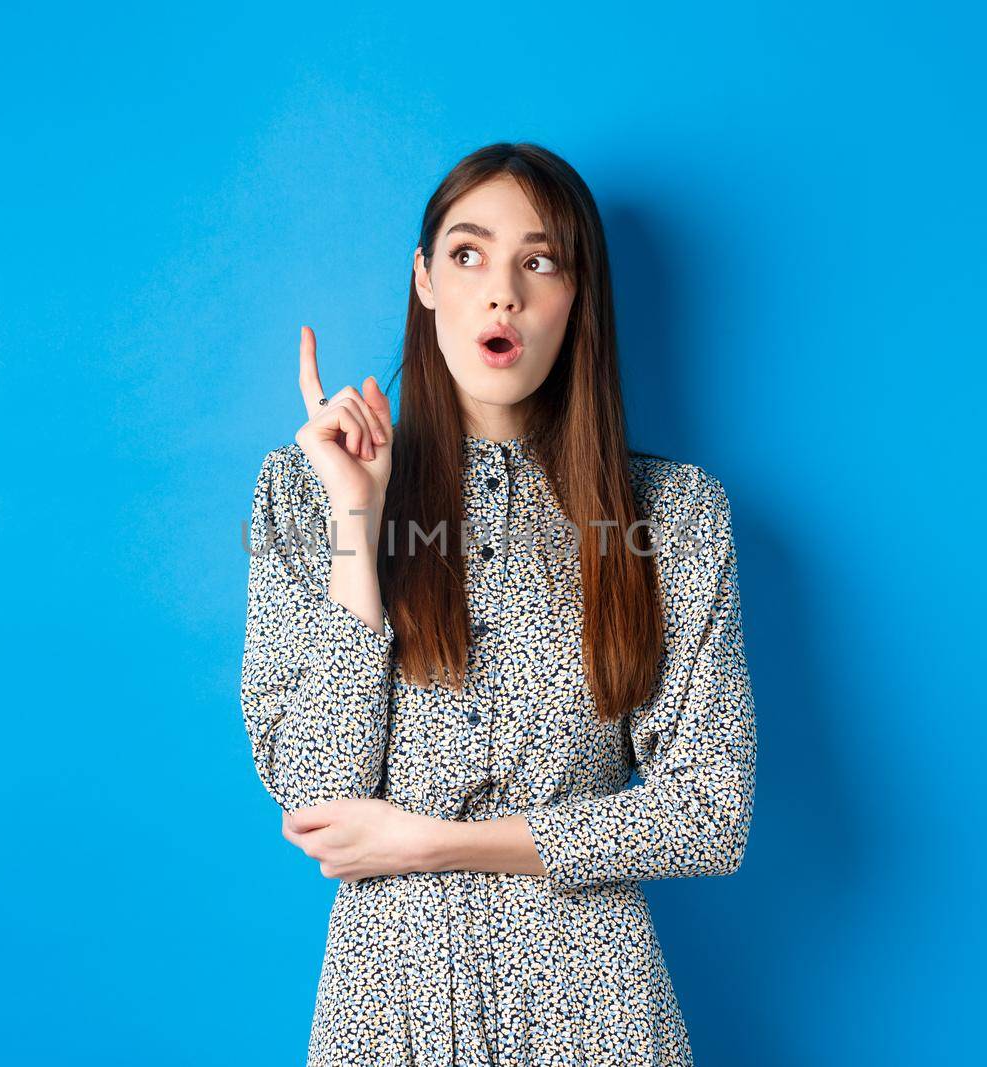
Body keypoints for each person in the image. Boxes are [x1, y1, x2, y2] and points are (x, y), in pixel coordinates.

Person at [240, 141, 757, 1065]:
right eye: (469, 254)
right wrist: (358, 517)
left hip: (596, 1007)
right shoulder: (303, 491)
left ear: (577, 294)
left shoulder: (672, 515)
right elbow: (318, 794)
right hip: (389, 1006)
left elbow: (710, 812)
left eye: (540, 260)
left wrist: (432, 842)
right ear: (425, 280)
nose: (502, 292)